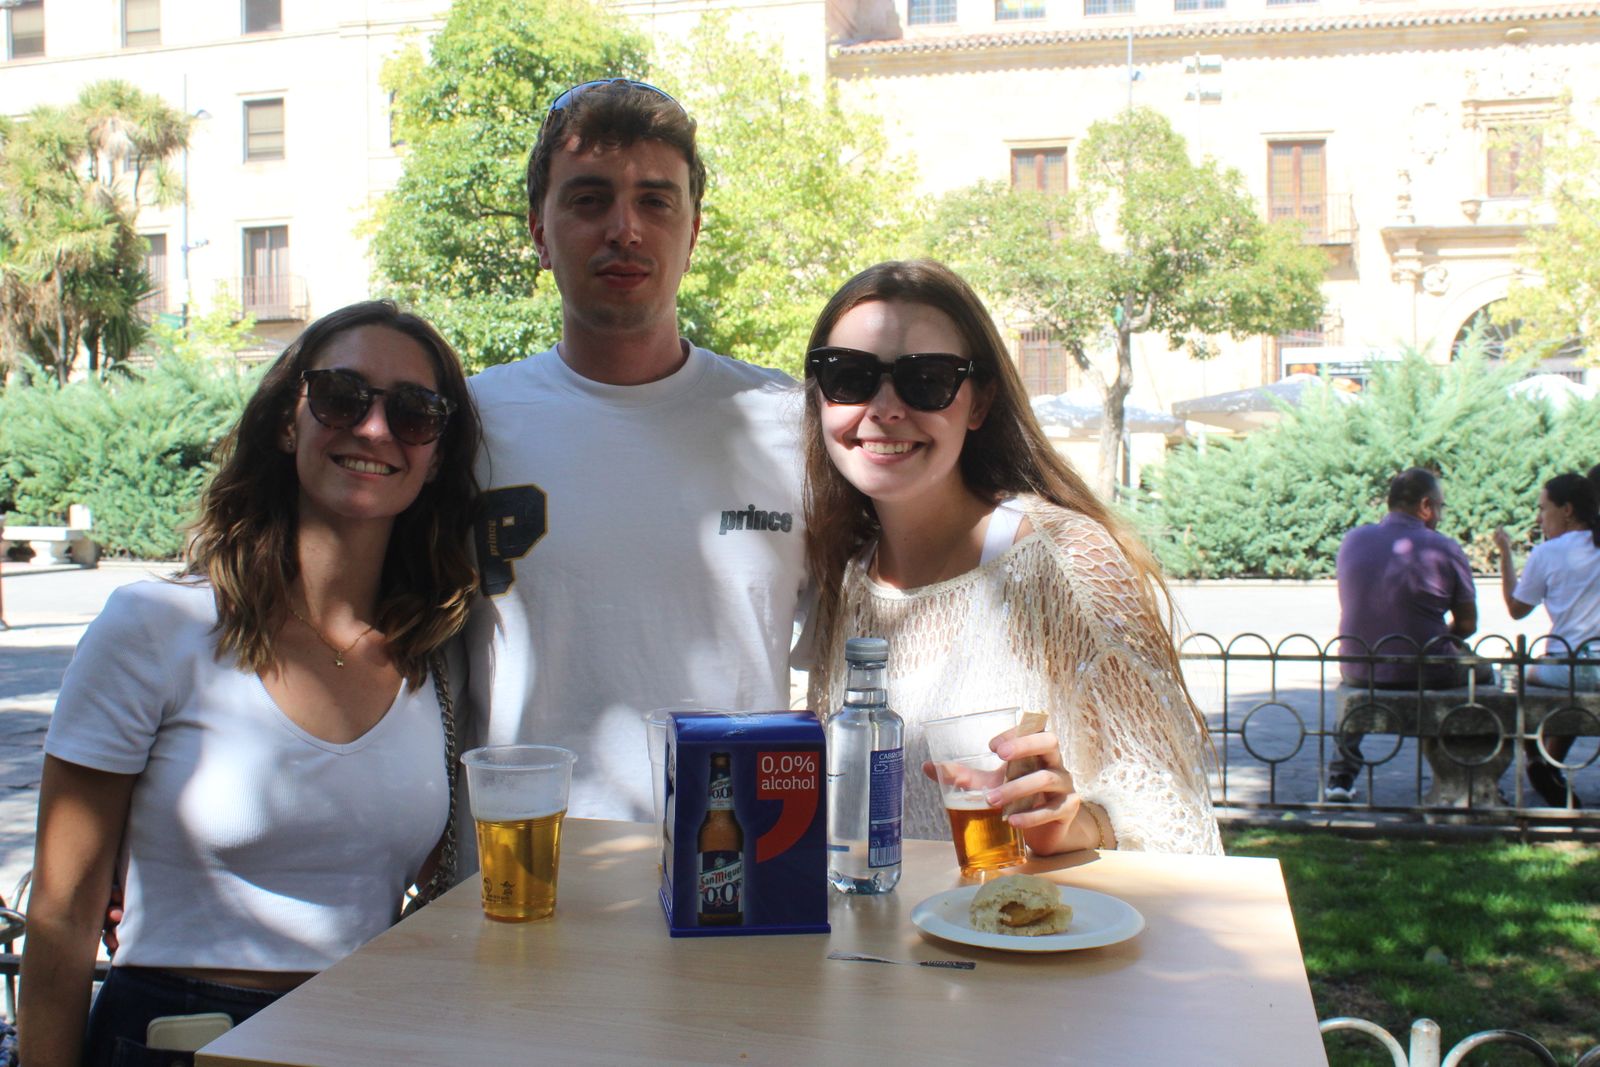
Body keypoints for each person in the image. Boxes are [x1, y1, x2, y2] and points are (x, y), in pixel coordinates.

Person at [18, 301, 481, 1066]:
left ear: (435, 456)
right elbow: (64, 914)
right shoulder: (155, 627)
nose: (373, 429)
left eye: (414, 411)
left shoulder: (433, 661)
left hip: (368, 1034)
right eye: (341, 395)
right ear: (286, 421)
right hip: (176, 1038)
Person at [461, 79, 806, 822]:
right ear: (539, 231)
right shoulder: (468, 422)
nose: (625, 228)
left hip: (737, 879)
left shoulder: (789, 422)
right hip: (523, 879)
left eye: (655, 200)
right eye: (589, 199)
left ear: (694, 230)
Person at [801, 260, 1220, 856]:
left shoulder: (1067, 560)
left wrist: (1078, 825)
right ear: (820, 397)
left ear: (979, 403)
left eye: (928, 379)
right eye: (849, 376)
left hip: (1025, 938)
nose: (885, 408)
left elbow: (1178, 815)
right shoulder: (842, 577)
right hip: (876, 946)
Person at [1326, 467, 1489, 802]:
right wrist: (1443, 635)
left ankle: (1339, 779)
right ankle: (1467, 772)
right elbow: (1469, 625)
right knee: (1487, 674)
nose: (1441, 515)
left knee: (1365, 673)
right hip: (1426, 666)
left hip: (1359, 665)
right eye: (1441, 507)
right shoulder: (1443, 547)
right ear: (1426, 506)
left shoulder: (1353, 539)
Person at [1492, 472, 1600, 808]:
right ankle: (1546, 763)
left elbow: (1516, 609)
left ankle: (1537, 759)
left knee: (1514, 676)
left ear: (1567, 510)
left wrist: (1505, 553)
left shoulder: (1548, 553)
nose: (1540, 518)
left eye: (1543, 508)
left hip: (1569, 667)